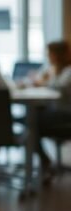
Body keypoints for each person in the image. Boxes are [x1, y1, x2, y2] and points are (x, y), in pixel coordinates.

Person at [34, 40, 71, 176]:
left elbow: (60, 89)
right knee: (33, 118)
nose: (48, 56)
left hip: (67, 113)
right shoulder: (52, 68)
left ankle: (45, 160)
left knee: (32, 122)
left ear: (58, 55)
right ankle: (44, 160)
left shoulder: (68, 71)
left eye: (50, 53)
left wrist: (45, 81)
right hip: (56, 112)